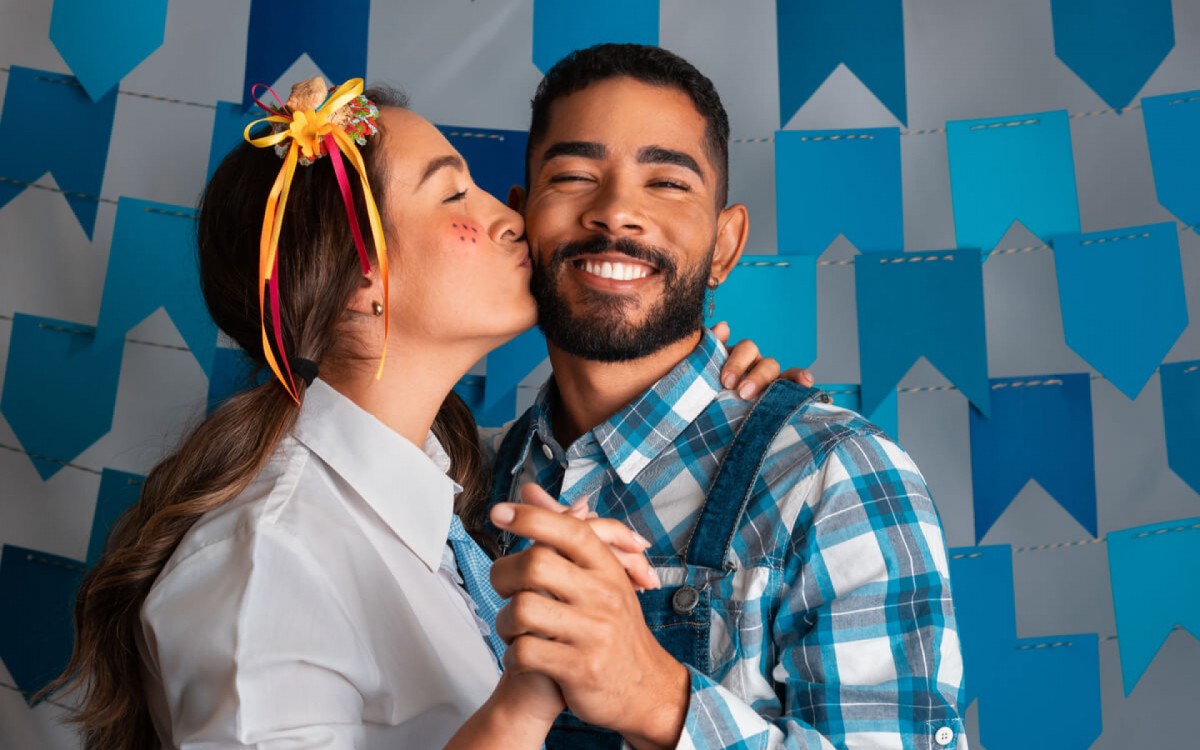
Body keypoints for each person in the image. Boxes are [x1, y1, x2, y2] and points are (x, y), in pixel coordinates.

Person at [45, 76, 792, 750]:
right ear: (360, 279)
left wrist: (732, 405)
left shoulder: (468, 495)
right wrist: (529, 695)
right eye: (453, 194)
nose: (511, 219)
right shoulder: (266, 562)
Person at [483, 44, 968, 750]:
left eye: (667, 183)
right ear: (521, 221)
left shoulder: (835, 475)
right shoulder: (467, 477)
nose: (616, 213)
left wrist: (655, 696)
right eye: (574, 176)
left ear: (724, 245)